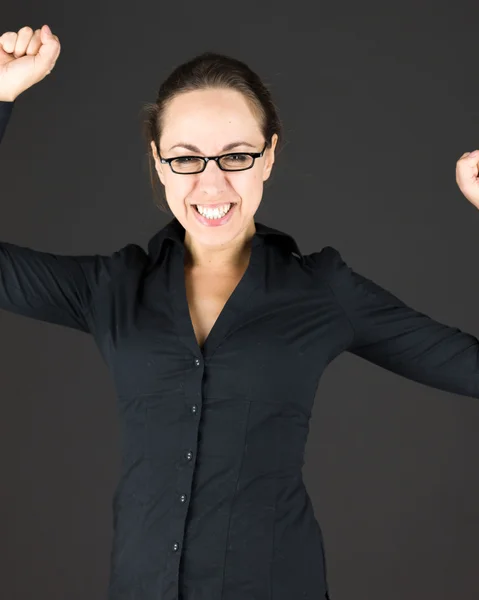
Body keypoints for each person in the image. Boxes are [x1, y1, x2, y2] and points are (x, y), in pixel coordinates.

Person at [1, 24, 478, 600]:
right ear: (157, 161)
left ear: (269, 156)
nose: (211, 182)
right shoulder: (113, 288)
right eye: (185, 158)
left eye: (236, 155)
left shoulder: (321, 289)